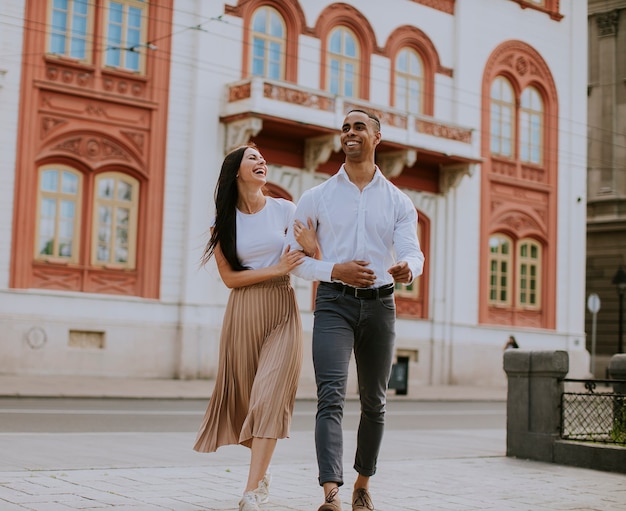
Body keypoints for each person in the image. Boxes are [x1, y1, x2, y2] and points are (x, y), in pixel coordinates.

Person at [286, 109, 425, 511]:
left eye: (358, 126)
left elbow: (413, 251)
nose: (349, 133)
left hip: (381, 306)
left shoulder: (399, 201)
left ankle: (362, 484)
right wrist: (336, 269)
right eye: (345, 128)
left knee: (374, 401)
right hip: (332, 303)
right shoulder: (316, 197)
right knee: (329, 396)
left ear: (377, 137)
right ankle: (331, 492)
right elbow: (295, 259)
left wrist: (407, 269)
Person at [193, 144, 317, 511]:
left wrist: (311, 248)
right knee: (247, 400)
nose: (262, 161)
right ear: (236, 172)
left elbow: (311, 254)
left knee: (269, 397)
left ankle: (251, 491)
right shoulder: (223, 223)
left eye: (262, 157)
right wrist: (274, 269)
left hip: (281, 309)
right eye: (253, 158)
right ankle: (261, 473)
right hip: (243, 311)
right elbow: (230, 279)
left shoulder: (285, 209)